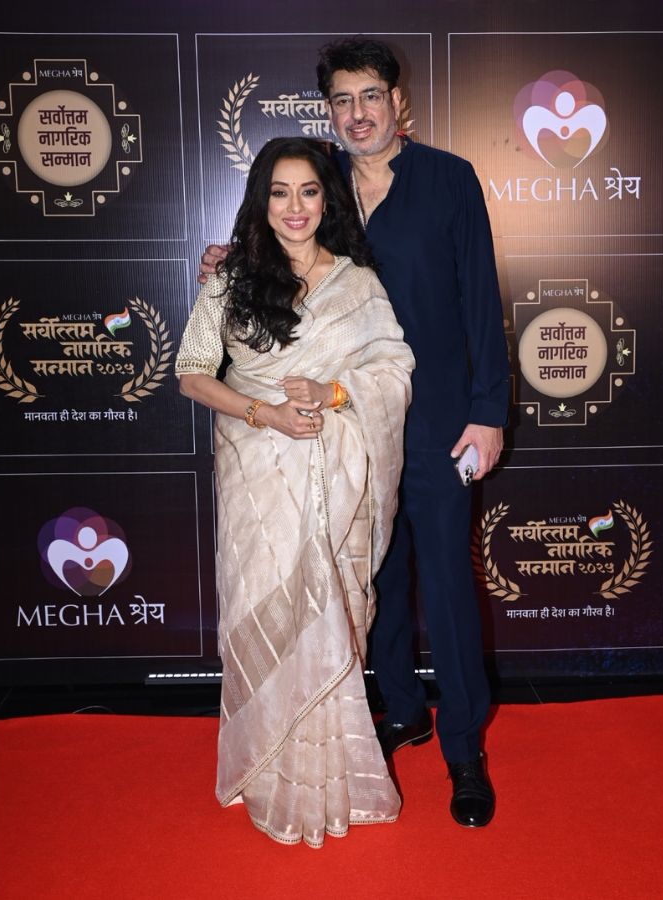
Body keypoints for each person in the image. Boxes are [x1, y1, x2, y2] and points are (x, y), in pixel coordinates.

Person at [202, 39, 510, 829]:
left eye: (371, 96)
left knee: (446, 582)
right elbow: (280, 245)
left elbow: (481, 297)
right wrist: (228, 261)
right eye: (342, 100)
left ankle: (464, 749)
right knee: (371, 575)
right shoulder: (321, 181)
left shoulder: (448, 179)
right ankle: (402, 710)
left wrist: (489, 412)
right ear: (329, 110)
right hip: (342, 429)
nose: (358, 113)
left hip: (438, 421)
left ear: (397, 102)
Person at [176, 136, 416, 848]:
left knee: (329, 613)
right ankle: (269, 764)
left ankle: (330, 771)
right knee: (265, 607)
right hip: (256, 473)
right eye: (279, 193)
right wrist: (267, 413)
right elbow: (192, 373)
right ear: (262, 201)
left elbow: (394, 366)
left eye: (308, 191)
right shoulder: (231, 278)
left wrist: (334, 392)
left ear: (326, 199)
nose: (295, 207)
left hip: (334, 475)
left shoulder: (357, 284)